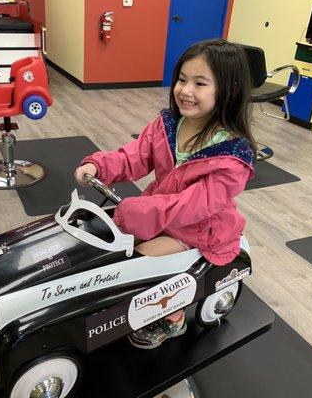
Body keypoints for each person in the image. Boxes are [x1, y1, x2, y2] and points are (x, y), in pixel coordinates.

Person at [74, 39, 257, 349]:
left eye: (200, 83)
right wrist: (99, 165)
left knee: (145, 262)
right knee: (107, 244)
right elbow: (134, 156)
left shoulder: (233, 156)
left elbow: (193, 206)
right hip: (158, 214)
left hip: (199, 229)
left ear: (229, 91)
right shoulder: (168, 124)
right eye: (182, 80)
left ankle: (172, 319)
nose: (185, 90)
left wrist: (141, 212)